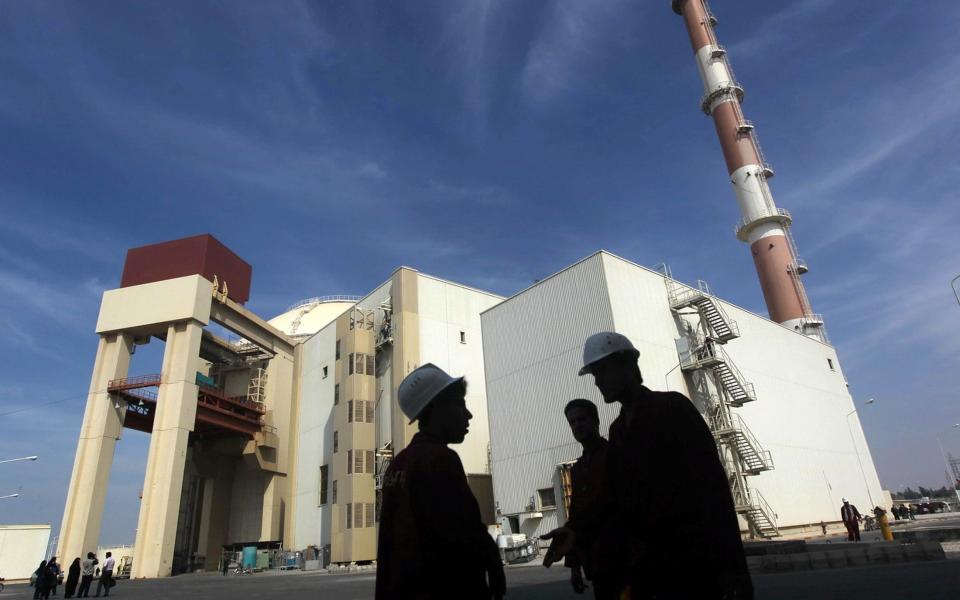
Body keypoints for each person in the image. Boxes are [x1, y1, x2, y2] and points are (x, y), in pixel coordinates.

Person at [542, 332, 753, 599]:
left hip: (692, 565)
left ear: (628, 364)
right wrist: (574, 530)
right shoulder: (619, 431)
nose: (597, 382)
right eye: (594, 375)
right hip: (649, 569)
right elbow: (611, 496)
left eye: (602, 372)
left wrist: (735, 569)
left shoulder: (672, 409)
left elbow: (714, 490)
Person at [375, 363, 505, 600]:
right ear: (436, 408)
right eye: (459, 404)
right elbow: (465, 531)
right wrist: (493, 565)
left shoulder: (397, 465)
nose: (468, 414)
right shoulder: (439, 459)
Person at [560, 398, 611, 598]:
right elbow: (576, 516)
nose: (577, 425)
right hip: (596, 565)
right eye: (572, 422)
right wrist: (574, 566)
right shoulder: (578, 469)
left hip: (624, 560)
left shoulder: (614, 455)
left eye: (581, 419)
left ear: (596, 421)